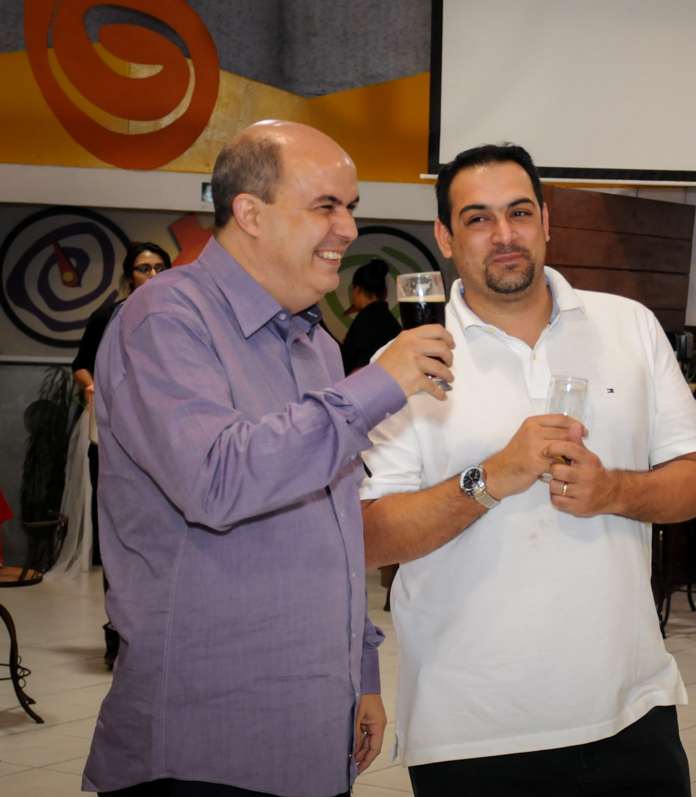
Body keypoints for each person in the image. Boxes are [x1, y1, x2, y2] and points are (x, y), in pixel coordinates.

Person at [83, 120, 455, 797]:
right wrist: (377, 384)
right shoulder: (164, 318)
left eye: (351, 207)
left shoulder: (314, 343)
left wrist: (360, 672)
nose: (348, 229)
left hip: (313, 724)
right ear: (249, 213)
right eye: (326, 206)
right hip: (203, 744)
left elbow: (334, 526)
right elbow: (217, 479)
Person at [360, 143, 696, 796]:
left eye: (520, 212)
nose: (504, 234)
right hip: (472, 727)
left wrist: (614, 489)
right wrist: (490, 478)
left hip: (631, 710)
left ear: (546, 221)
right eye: (477, 218)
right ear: (445, 236)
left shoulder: (631, 327)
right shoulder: (405, 359)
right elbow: (370, 536)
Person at [72, 241, 171, 668]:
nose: (152, 275)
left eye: (159, 267)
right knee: (119, 534)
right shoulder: (109, 315)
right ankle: (118, 633)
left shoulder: (180, 313)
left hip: (164, 440)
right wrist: (92, 384)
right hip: (114, 438)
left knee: (163, 535)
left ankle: (159, 634)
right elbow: (80, 364)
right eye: (144, 268)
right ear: (129, 274)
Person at [340, 258, 402, 375]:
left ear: (357, 289)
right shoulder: (388, 320)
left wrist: (343, 387)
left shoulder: (367, 320)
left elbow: (363, 368)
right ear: (385, 292)